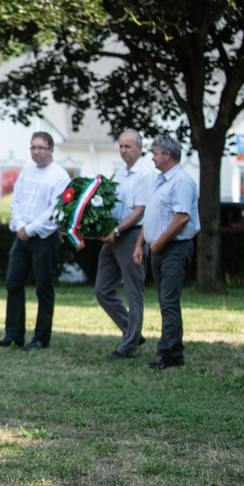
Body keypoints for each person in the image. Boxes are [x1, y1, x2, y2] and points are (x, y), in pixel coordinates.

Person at [0, 131, 71, 350]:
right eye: (33, 148)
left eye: (40, 148)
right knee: (13, 283)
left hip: (44, 238)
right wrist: (20, 226)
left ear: (51, 150)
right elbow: (15, 202)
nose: (36, 152)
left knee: (43, 288)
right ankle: (13, 334)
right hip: (22, 236)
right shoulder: (26, 173)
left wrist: (31, 229)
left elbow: (55, 211)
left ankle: (40, 339)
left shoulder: (60, 176)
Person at [133, 134, 200, 370]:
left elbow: (182, 218)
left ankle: (166, 354)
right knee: (165, 302)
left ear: (167, 155)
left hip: (174, 249)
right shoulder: (161, 181)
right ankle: (175, 352)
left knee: (169, 302)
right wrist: (141, 243)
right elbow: (151, 214)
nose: (151, 157)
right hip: (159, 249)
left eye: (155, 152)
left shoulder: (181, 181)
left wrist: (159, 243)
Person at [95, 130, 156, 359]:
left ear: (140, 148)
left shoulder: (145, 175)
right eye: (121, 146)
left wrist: (118, 230)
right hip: (114, 236)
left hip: (132, 237)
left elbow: (141, 211)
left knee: (133, 294)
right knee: (102, 289)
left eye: (128, 146)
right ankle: (133, 332)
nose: (123, 150)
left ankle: (129, 347)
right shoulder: (119, 174)